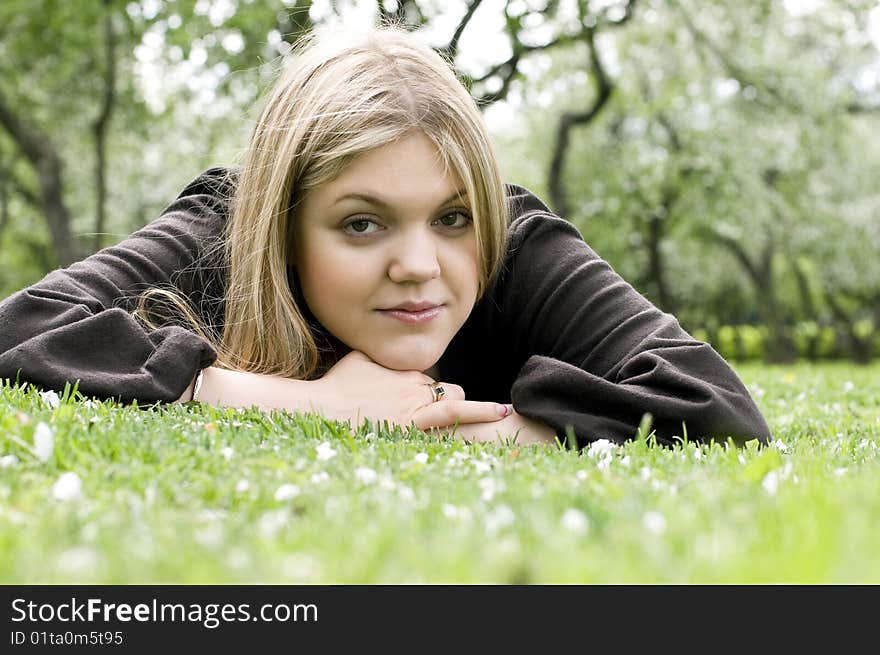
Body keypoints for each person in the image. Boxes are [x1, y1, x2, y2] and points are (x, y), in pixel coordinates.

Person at [0, 24, 771, 449]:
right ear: (285, 224)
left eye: (451, 218)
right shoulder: (225, 230)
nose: (418, 266)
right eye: (361, 223)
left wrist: (464, 429)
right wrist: (302, 403)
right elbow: (20, 334)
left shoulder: (513, 241)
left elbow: (714, 407)